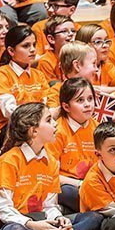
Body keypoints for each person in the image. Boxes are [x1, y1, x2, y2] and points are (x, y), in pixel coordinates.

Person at [0, 102, 102, 230]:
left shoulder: (51, 162)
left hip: (42, 221)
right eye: (48, 120)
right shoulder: (9, 161)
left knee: (94, 217)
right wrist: (33, 225)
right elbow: (2, 210)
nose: (55, 123)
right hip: (15, 222)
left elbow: (50, 206)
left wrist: (60, 219)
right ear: (34, 131)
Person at [45, 77, 99, 212]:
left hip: (94, 184)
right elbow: (51, 174)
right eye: (80, 100)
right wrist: (81, 184)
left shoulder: (98, 128)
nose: (87, 104)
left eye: (90, 99)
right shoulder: (56, 131)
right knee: (67, 192)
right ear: (66, 106)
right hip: (70, 184)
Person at [0, 25, 49, 128]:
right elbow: (9, 111)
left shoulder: (38, 74)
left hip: (38, 125)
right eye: (26, 46)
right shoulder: (2, 74)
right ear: (11, 51)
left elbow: (47, 103)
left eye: (34, 45)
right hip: (12, 127)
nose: (32, 50)